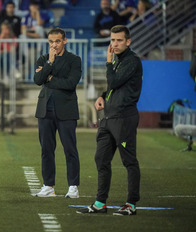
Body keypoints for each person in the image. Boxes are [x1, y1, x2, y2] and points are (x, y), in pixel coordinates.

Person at [77, 25, 142, 216]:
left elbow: (114, 81)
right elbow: (115, 87)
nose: (114, 44)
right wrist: (103, 96)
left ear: (128, 41)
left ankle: (131, 204)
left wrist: (108, 62)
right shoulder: (119, 61)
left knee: (129, 161)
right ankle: (100, 203)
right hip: (109, 118)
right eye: (112, 40)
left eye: (119, 40)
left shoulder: (132, 61)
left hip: (124, 119)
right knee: (101, 159)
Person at [34, 27, 81, 198]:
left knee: (70, 149)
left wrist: (50, 79)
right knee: (46, 149)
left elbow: (71, 83)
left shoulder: (74, 60)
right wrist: (50, 63)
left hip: (66, 110)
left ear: (65, 41)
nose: (54, 45)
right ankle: (48, 185)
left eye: (57, 41)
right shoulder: (43, 59)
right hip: (45, 109)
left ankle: (73, 186)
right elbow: (38, 80)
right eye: (51, 42)